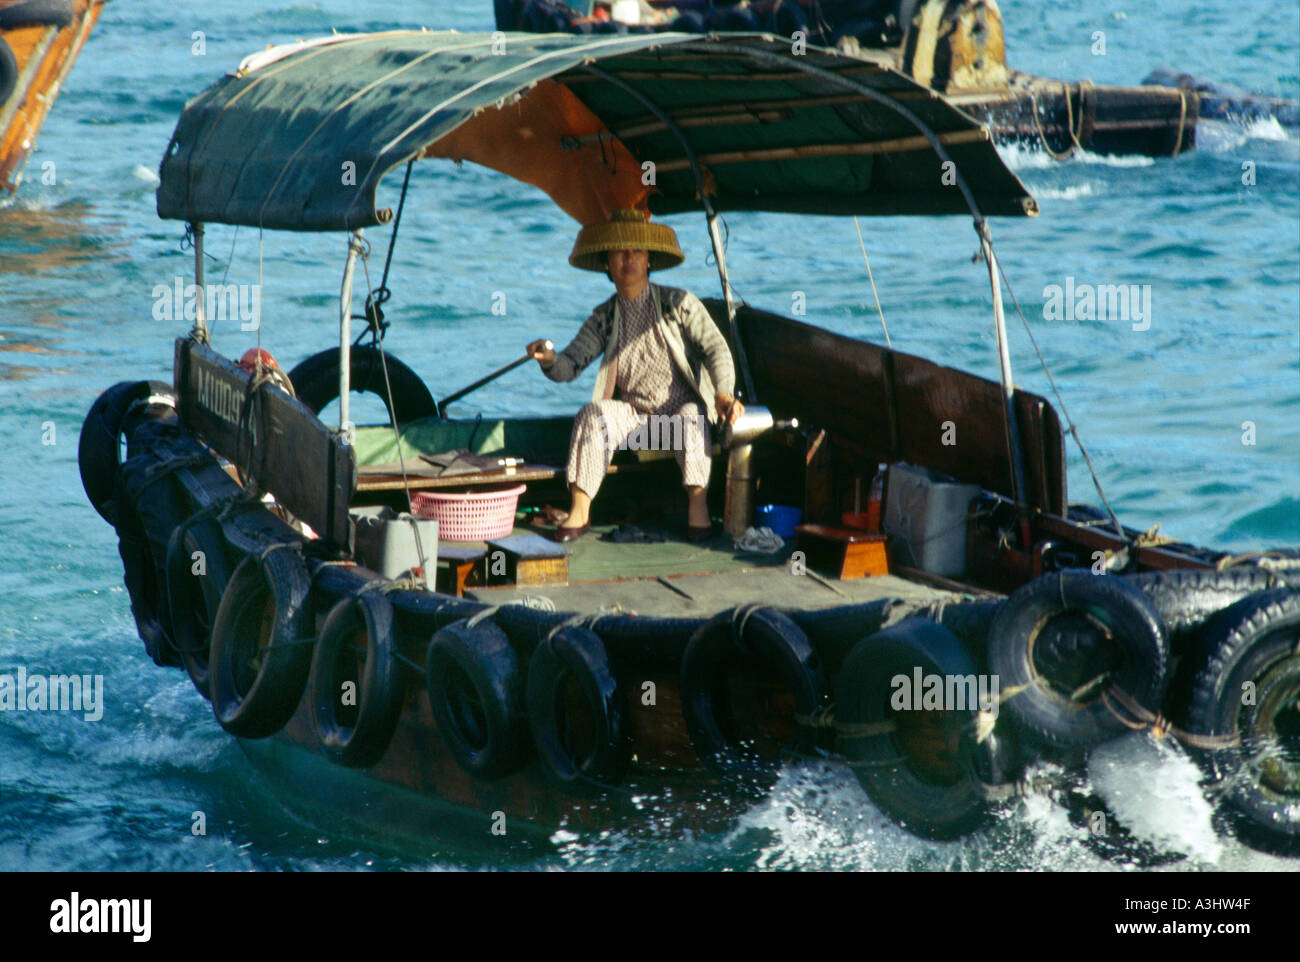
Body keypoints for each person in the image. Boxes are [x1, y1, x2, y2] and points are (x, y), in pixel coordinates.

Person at [526, 208, 743, 543]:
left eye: (637, 251)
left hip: (679, 414)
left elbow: (717, 350)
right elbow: (570, 364)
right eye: (620, 252)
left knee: (691, 418)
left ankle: (698, 511)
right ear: (607, 264)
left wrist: (723, 394)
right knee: (592, 414)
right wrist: (549, 360)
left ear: (649, 260)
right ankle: (580, 512)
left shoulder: (679, 303)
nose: (628, 259)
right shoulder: (605, 317)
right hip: (634, 422)